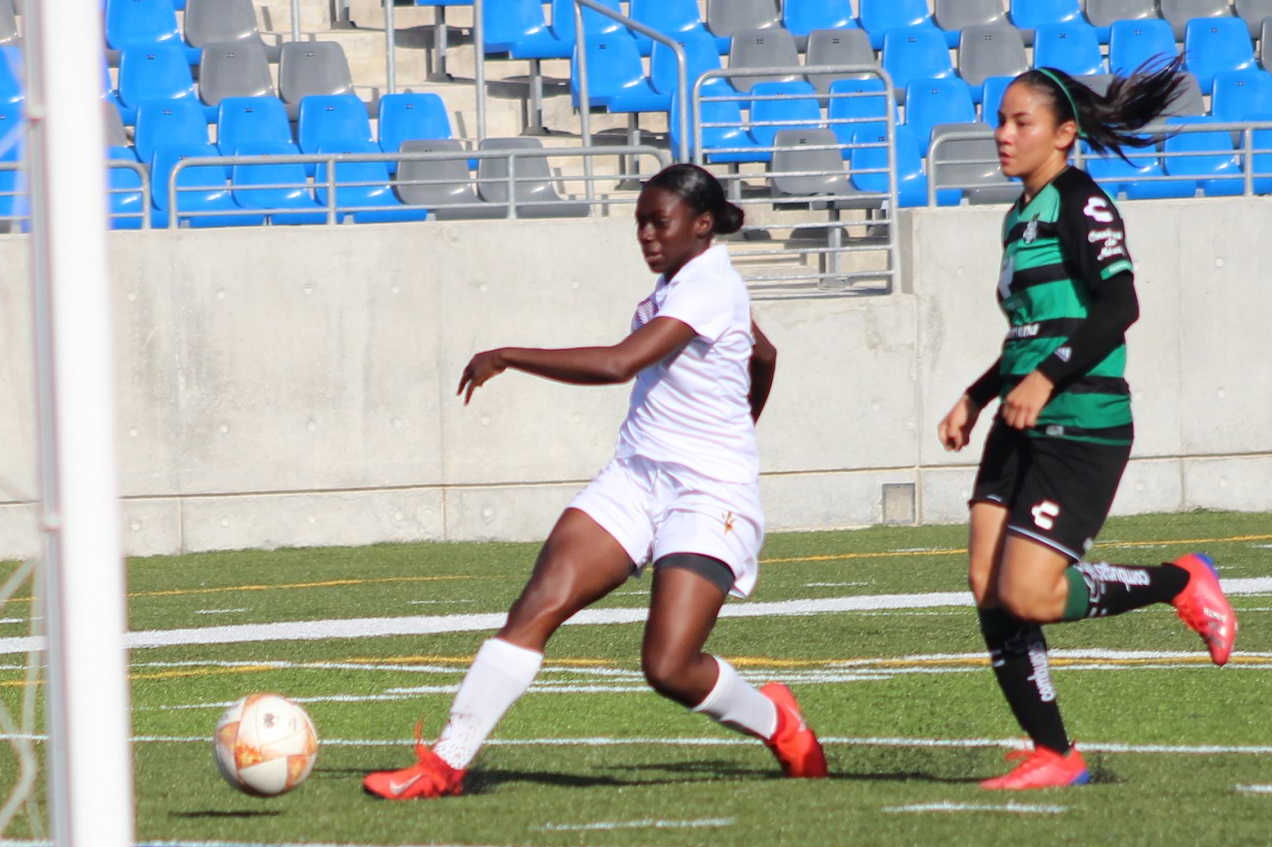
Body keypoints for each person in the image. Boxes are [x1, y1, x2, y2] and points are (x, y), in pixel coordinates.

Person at [363, 164, 825, 801]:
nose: (645, 234)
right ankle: (444, 764)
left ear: (703, 224)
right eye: (639, 221)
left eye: (658, 221)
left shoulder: (710, 285)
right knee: (537, 604)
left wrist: (507, 355)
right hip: (636, 478)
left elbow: (617, 364)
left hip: (708, 493)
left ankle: (779, 722)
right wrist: (742, 417)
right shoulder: (680, 286)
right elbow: (763, 355)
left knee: (668, 667)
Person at [936, 61, 1236, 790]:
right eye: (1000, 120)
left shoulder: (1082, 202)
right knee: (985, 583)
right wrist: (978, 395)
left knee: (1030, 594)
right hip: (1019, 416)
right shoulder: (1019, 214)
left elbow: (1118, 305)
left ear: (1065, 135)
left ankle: (1179, 581)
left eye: (1020, 122)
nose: (1002, 135)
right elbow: (1033, 330)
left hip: (1081, 421)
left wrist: (1043, 378)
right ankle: (1054, 754)